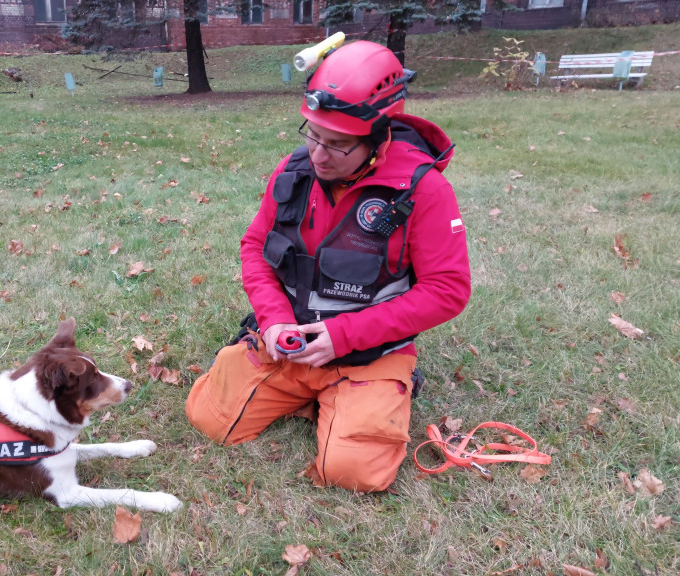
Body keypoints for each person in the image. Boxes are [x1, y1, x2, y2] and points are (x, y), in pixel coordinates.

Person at [185, 40, 471, 492]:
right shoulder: (294, 172)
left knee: (352, 474)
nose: (318, 154)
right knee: (208, 418)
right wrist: (275, 322)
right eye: (313, 134)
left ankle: (373, 393)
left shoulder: (424, 191)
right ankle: (324, 399)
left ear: (379, 137)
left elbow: (447, 290)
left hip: (369, 354)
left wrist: (343, 336)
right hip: (291, 344)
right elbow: (255, 247)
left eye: (337, 145)